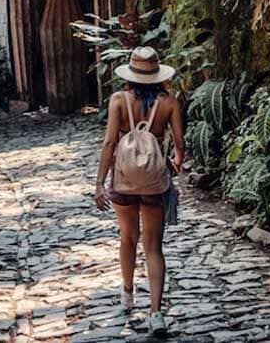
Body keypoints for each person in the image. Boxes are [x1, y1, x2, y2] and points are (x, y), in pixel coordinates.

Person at [94, 46, 185, 338]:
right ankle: (156, 314)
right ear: (158, 74)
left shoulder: (119, 100)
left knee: (128, 237)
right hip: (155, 181)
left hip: (123, 180)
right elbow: (180, 146)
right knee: (154, 247)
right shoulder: (169, 101)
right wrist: (176, 161)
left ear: (131, 74)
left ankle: (128, 294)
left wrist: (99, 183)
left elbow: (110, 143)